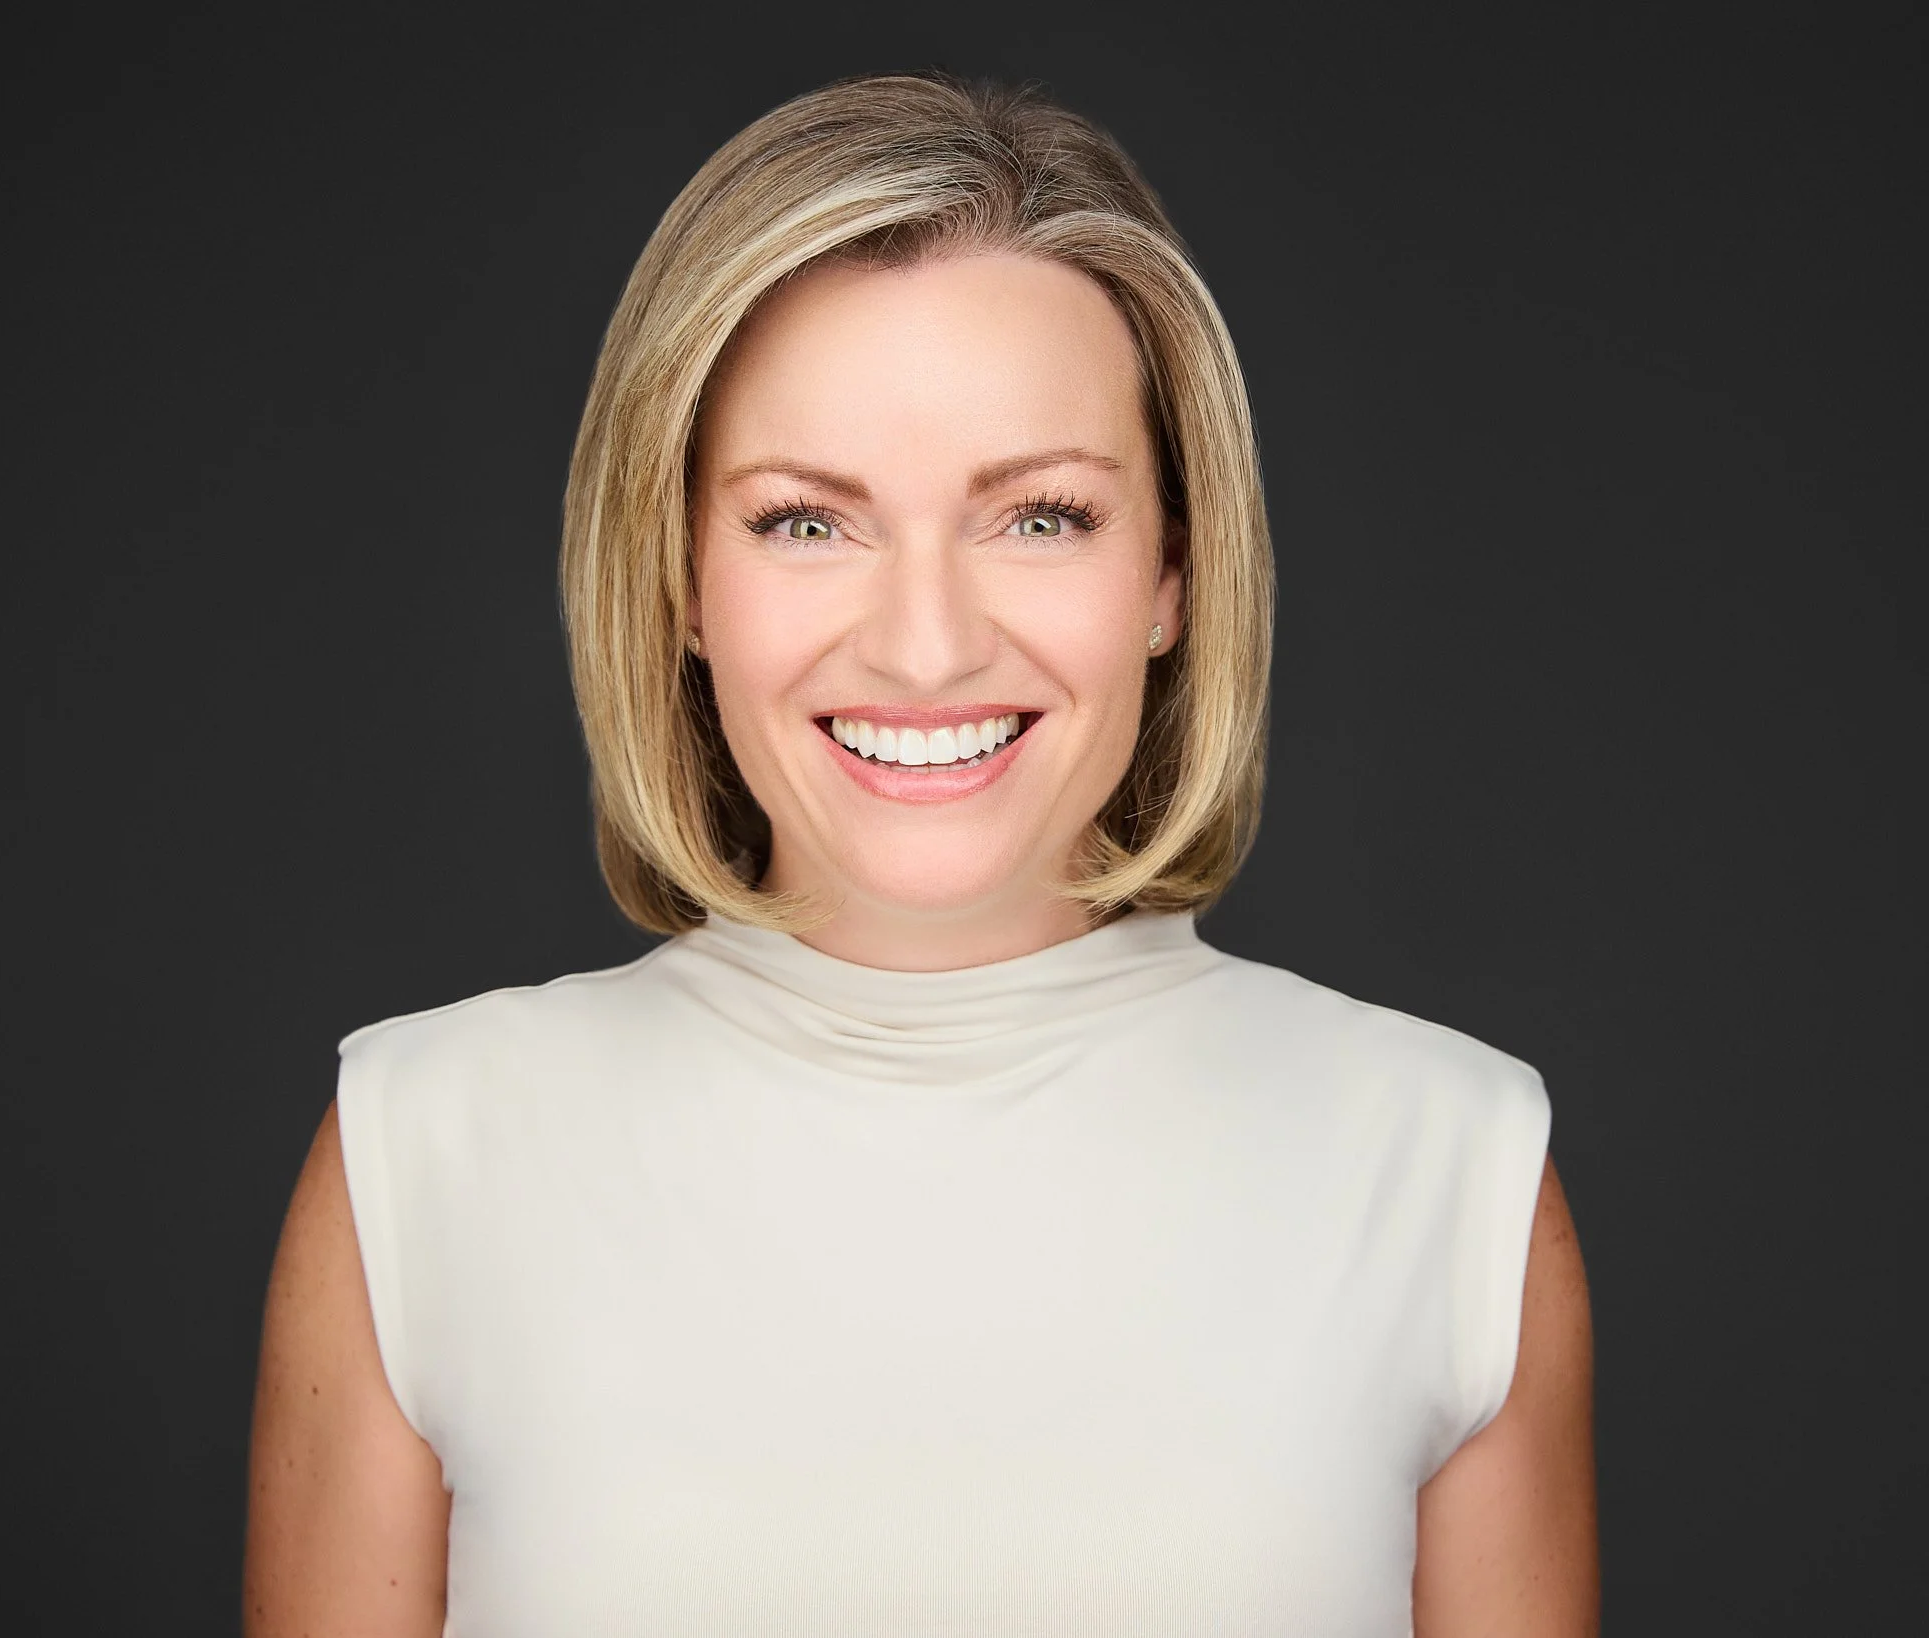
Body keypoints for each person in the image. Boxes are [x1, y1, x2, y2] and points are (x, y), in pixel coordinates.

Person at [244, 72, 1598, 1636]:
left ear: (1172, 567)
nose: (929, 644)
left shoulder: (1449, 1172)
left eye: (1040, 517)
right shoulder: (421, 1161)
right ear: (680, 575)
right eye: (807, 522)